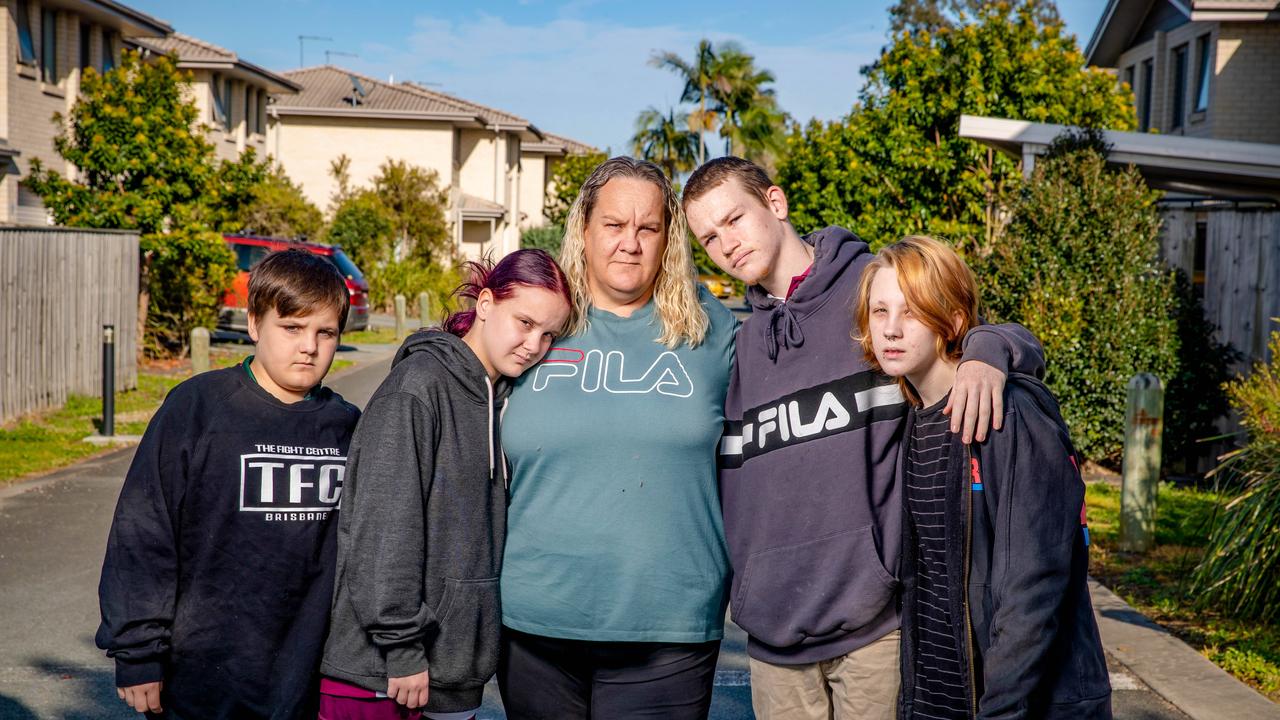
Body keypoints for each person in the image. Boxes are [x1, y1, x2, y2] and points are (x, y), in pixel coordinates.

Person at [681, 157, 1044, 720]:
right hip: (773, 638)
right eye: (708, 236)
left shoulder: (872, 289)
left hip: (875, 628)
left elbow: (970, 321)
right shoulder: (737, 345)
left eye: (734, 220)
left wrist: (988, 353)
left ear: (775, 204)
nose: (725, 244)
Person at [497, 157, 737, 720]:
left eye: (647, 228)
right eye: (613, 225)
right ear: (584, 230)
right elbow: (449, 376)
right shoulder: (539, 321)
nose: (630, 243)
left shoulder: (712, 328)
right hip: (535, 625)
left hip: (669, 629)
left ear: (667, 237)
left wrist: (985, 347)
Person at [96, 249, 361, 719]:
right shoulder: (197, 408)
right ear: (255, 323)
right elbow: (144, 531)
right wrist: (138, 653)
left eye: (325, 332)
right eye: (292, 328)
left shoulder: (347, 426)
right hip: (201, 676)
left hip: (306, 679)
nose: (309, 347)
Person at [855, 235, 1111, 719]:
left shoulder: (1008, 414)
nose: (890, 329)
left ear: (951, 321)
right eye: (878, 311)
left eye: (910, 312)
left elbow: (1033, 590)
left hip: (1014, 705)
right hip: (938, 698)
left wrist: (1001, 711)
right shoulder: (913, 418)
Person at [319, 249, 572, 720]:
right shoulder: (419, 387)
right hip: (383, 674)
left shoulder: (502, 399)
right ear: (487, 303)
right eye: (524, 322)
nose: (534, 344)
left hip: (454, 675)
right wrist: (402, 648)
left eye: (549, 334)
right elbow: (381, 528)